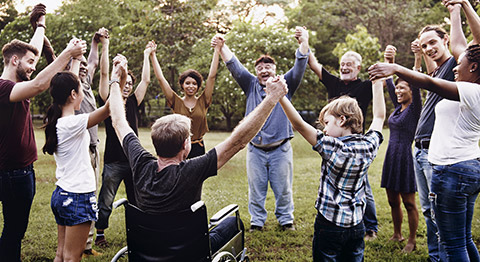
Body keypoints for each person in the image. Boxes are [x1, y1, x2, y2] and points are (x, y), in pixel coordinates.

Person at [108, 64, 288, 253]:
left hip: (149, 248)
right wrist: (271, 99)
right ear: (186, 145)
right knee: (233, 223)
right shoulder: (191, 171)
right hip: (189, 250)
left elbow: (119, 122)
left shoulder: (140, 163)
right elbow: (238, 141)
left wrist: (114, 79)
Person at [368, 42, 480, 262]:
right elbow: (454, 47)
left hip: (451, 171)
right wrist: (459, 8)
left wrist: (397, 68)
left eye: (461, 63)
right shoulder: (469, 92)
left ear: (474, 67)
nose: (456, 68)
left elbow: (430, 82)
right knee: (464, 239)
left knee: (453, 244)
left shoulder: (472, 90)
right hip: (465, 167)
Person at [0, 11, 86, 260]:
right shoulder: (5, 88)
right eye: (28, 63)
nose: (33, 67)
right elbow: (39, 84)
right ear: (14, 61)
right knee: (14, 231)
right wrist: (68, 54)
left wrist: (40, 27)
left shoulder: (16, 83)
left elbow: (33, 55)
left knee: (14, 230)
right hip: (12, 174)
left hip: (20, 171)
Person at [277, 68, 385, 261]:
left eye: (326, 123)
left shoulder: (332, 147)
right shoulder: (369, 145)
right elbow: (378, 117)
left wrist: (281, 96)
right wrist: (377, 84)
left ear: (342, 120)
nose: (324, 130)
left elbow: (299, 124)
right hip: (356, 225)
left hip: (329, 225)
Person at [215, 26, 310, 231]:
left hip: (280, 149)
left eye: (268, 67)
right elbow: (234, 65)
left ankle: (286, 221)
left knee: (283, 189)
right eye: (260, 68)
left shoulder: (286, 84)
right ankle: (257, 222)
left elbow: (301, 63)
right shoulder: (250, 85)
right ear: (256, 72)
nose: (264, 70)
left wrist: (304, 41)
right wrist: (222, 46)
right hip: (255, 150)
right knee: (255, 190)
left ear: (275, 70)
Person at [42, 70, 114, 262]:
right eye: (81, 89)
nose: (83, 93)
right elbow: (108, 109)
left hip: (63, 194)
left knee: (62, 255)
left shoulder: (59, 121)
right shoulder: (72, 123)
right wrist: (117, 75)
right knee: (73, 257)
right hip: (77, 197)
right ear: (73, 94)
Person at [308, 48, 379, 240]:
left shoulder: (365, 87)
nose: (344, 67)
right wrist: (304, 42)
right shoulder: (334, 82)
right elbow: (313, 64)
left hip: (355, 145)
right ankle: (333, 217)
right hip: (332, 144)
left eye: (349, 64)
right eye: (342, 64)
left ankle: (370, 227)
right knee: (332, 181)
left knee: (363, 186)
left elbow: (382, 92)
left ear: (358, 68)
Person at [95, 42, 154, 247]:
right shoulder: (109, 101)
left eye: (130, 83)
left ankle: (137, 233)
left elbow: (146, 79)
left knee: (137, 200)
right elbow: (104, 75)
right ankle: (100, 233)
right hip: (113, 161)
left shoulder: (134, 102)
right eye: (124, 81)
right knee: (106, 201)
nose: (127, 85)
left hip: (134, 161)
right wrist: (106, 47)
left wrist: (147, 54)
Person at [410, 22, 457, 262]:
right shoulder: (438, 72)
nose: (429, 48)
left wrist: (457, 9)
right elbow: (429, 72)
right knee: (428, 211)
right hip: (418, 150)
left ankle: (445, 257)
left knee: (439, 212)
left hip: (433, 151)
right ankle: (435, 256)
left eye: (433, 43)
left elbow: (460, 46)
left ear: (446, 39)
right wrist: (420, 54)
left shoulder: (453, 66)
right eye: (425, 44)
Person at [67, 27, 110, 257]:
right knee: (84, 195)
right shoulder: (70, 89)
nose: (84, 67)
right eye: (78, 65)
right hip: (81, 150)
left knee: (92, 194)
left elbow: (91, 63)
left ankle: (86, 245)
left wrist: (95, 43)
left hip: (94, 147)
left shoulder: (85, 84)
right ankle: (82, 246)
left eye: (84, 65)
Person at [150, 37, 221, 158]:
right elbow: (161, 79)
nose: (191, 86)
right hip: (178, 147)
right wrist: (152, 55)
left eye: (194, 83)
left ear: (198, 87)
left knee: (197, 177)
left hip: (198, 147)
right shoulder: (175, 101)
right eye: (187, 83)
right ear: (182, 85)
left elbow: (211, 77)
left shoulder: (204, 101)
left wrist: (217, 50)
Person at [381, 45, 421, 253]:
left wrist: (417, 58)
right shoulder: (398, 108)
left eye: (402, 88)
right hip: (391, 156)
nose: (397, 90)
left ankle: (412, 240)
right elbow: (388, 82)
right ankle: (397, 234)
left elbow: (415, 82)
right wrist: (389, 60)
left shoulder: (415, 108)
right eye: (397, 88)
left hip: (405, 156)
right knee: (392, 199)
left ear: (411, 91)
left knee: (409, 202)